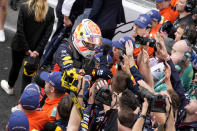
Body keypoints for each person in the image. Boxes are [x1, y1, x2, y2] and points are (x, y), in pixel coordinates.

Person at [0, 0, 54, 95]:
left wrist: (27, 49)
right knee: (27, 76)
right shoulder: (50, 12)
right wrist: (36, 50)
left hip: (19, 46)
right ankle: (23, 103)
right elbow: (47, 36)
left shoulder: (24, 8)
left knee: (15, 67)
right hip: (36, 50)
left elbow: (20, 30)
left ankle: (10, 87)